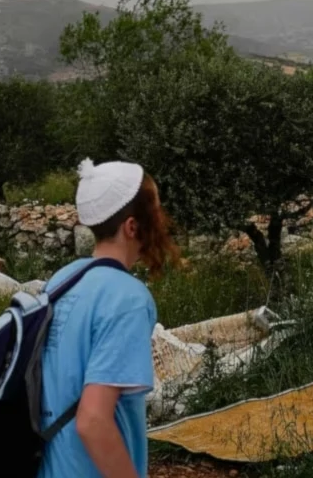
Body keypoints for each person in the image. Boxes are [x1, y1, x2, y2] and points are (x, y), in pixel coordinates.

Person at [38, 158, 179, 478]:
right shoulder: (127, 299)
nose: (162, 220)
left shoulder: (62, 281)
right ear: (132, 227)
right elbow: (92, 420)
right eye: (156, 212)